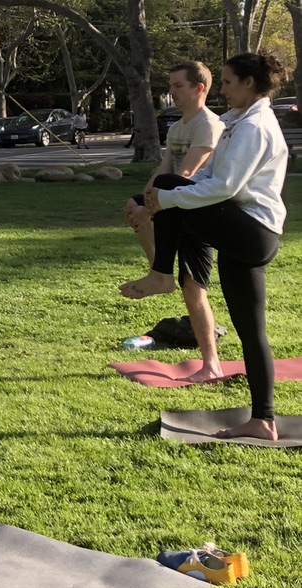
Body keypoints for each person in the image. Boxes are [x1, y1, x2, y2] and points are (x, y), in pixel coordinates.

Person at [119, 51, 289, 441]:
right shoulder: (234, 122)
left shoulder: (255, 127)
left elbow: (226, 187)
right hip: (237, 233)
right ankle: (263, 419)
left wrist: (164, 200)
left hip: (254, 230)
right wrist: (157, 202)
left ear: (248, 83)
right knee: (251, 331)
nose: (223, 90)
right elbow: (207, 177)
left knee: (168, 189)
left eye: (228, 82)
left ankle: (162, 274)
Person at [121, 62, 226, 383]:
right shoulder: (178, 127)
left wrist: (150, 209)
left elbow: (185, 175)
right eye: (171, 85)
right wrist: (144, 200)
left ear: (199, 88)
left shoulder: (209, 124)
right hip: (175, 203)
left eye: (178, 85)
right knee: (133, 202)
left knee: (194, 287)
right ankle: (159, 270)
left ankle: (161, 275)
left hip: (201, 208)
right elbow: (162, 173)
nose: (172, 91)